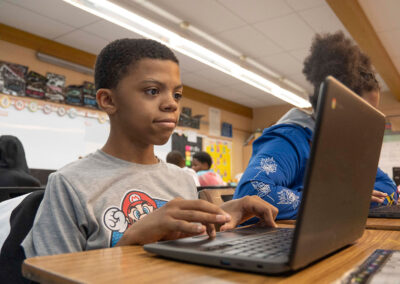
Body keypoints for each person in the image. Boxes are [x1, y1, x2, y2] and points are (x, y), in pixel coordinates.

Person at [20, 38, 278, 259]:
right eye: (153, 91)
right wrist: (131, 240)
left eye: (176, 95)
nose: (171, 104)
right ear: (108, 100)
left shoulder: (181, 179)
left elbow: (185, 248)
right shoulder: (70, 184)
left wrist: (221, 216)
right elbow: (50, 276)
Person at [233, 31, 398, 220]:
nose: (366, 125)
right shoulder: (289, 140)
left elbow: (388, 187)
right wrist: (336, 201)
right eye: (363, 113)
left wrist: (352, 199)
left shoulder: (344, 147)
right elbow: (253, 194)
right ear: (333, 105)